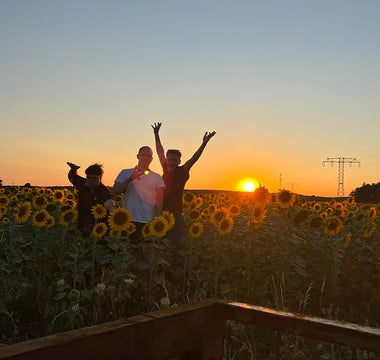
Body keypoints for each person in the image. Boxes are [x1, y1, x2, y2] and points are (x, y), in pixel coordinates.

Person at [151, 122, 216, 266]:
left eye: (175, 159)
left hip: (176, 217)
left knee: (176, 249)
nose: (171, 162)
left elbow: (194, 158)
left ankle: (181, 276)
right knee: (159, 247)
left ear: (179, 161)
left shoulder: (183, 171)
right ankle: (164, 272)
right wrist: (156, 134)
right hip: (161, 215)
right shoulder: (164, 168)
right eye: (170, 159)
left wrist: (204, 143)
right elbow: (159, 152)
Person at [111, 146, 166, 239]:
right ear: (138, 156)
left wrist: (156, 219)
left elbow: (160, 201)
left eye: (148, 156)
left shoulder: (156, 177)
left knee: (142, 251)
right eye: (143, 155)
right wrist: (129, 179)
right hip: (126, 220)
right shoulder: (125, 173)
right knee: (126, 249)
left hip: (147, 221)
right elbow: (114, 192)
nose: (145, 158)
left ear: (152, 159)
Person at [67, 162, 117, 237]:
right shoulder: (83, 184)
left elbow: (109, 202)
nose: (91, 180)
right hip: (83, 226)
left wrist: (113, 209)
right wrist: (73, 169)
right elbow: (72, 177)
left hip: (100, 230)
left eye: (94, 178)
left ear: (100, 178)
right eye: (89, 177)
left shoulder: (104, 191)